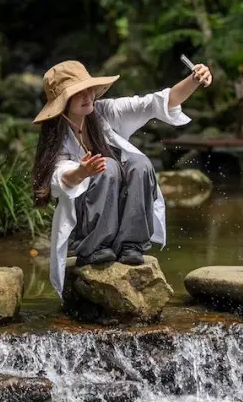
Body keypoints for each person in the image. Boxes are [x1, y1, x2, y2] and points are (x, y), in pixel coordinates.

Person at [31, 59, 212, 296]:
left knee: (139, 163)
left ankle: (131, 245)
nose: (87, 96)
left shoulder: (105, 112)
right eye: (78, 93)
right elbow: (58, 179)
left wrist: (194, 80)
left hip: (120, 216)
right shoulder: (57, 136)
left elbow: (155, 103)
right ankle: (95, 247)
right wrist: (81, 172)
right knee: (108, 167)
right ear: (63, 102)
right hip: (85, 227)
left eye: (88, 89)